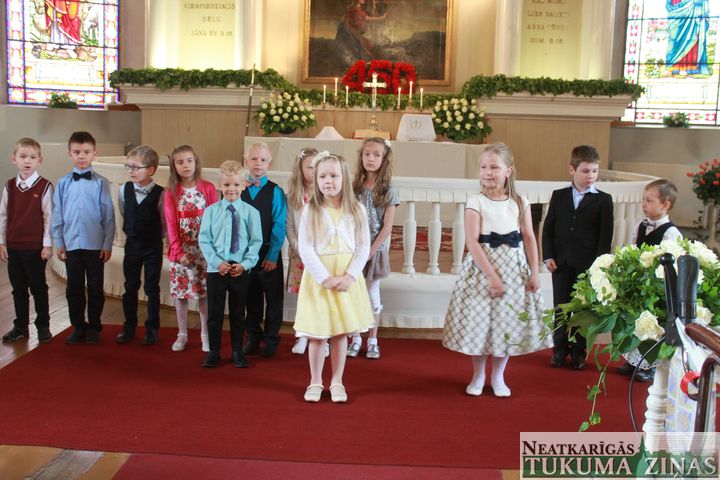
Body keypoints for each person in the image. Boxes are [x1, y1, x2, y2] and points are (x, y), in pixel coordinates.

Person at [443, 143, 551, 398]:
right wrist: (492, 276)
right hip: (483, 270)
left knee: (506, 322)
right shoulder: (476, 201)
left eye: (494, 167)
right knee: (480, 323)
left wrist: (535, 272)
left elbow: (529, 237)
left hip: (513, 270)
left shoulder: (519, 201)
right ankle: (479, 375)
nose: (488, 172)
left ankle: (498, 376)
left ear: (508, 170)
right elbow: (472, 242)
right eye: (483, 167)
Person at [294, 152, 374, 403]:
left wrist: (350, 276)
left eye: (334, 176)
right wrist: (324, 278)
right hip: (320, 280)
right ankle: (315, 381)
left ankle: (337, 381)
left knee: (340, 333)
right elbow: (305, 247)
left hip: (346, 279)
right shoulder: (311, 209)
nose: (328, 181)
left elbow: (363, 246)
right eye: (322, 176)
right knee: (318, 335)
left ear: (344, 178)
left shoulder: (357, 209)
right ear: (316, 180)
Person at [542, 145, 614, 370]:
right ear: (572, 170)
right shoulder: (559, 196)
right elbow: (548, 228)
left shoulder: (603, 200)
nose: (590, 176)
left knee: (583, 310)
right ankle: (559, 350)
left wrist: (599, 267)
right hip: (561, 262)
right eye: (585, 171)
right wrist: (548, 255)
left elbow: (605, 236)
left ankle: (578, 352)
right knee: (561, 308)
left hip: (587, 265)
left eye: (594, 171)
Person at [51, 131, 115, 344]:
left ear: (94, 153)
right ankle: (78, 326)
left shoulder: (101, 183)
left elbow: (108, 216)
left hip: (95, 245)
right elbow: (57, 214)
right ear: (69, 154)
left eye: (86, 152)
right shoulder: (63, 183)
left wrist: (107, 243)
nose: (81, 156)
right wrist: (59, 242)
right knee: (74, 288)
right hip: (71, 244)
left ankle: (94, 327)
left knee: (95, 288)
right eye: (77, 152)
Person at [198, 161, 262, 368]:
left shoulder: (251, 213)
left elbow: (256, 242)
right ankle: (214, 351)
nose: (230, 189)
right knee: (215, 313)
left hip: (239, 269)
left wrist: (245, 264)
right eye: (226, 185)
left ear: (243, 185)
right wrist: (217, 262)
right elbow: (204, 239)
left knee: (238, 312)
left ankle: (237, 351)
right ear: (219, 185)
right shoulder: (210, 212)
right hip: (216, 269)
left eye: (235, 184)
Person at [618, 179, 681, 382]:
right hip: (639, 283)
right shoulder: (641, 225)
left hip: (657, 287)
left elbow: (672, 262)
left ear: (665, 204)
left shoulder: (670, 233)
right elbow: (634, 249)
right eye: (643, 199)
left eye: (649, 200)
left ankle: (650, 365)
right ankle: (633, 361)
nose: (643, 204)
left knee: (653, 326)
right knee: (636, 322)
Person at [347, 137, 399, 360]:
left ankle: (372, 340)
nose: (370, 158)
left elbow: (387, 227)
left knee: (371, 295)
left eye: (376, 155)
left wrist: (371, 250)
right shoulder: (355, 187)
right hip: (354, 248)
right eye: (367, 154)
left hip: (374, 250)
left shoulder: (388, 189)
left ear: (384, 159)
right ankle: (355, 338)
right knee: (354, 294)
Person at [164, 145, 218, 353]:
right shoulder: (171, 193)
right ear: (174, 166)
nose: (185, 165)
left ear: (196, 162)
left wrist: (211, 250)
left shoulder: (208, 188)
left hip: (204, 251)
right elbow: (171, 225)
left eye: (189, 161)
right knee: (181, 295)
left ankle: (205, 334)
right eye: (180, 162)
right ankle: (182, 334)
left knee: (203, 295)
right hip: (181, 253)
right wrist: (179, 253)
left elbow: (215, 219)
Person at [0, 138, 54, 344]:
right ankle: (21, 326)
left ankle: (43, 326)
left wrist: (47, 244)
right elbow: (3, 215)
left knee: (38, 287)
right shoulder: (9, 186)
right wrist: (1, 242)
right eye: (22, 156)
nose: (27, 161)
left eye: (32, 157)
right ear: (14, 159)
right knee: (18, 289)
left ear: (40, 160)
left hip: (35, 248)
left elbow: (49, 218)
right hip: (14, 246)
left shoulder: (45, 186)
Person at [241, 142, 287, 358]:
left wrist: (272, 254)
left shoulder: (275, 191)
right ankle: (253, 335)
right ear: (246, 161)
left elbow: (279, 224)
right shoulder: (238, 189)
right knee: (250, 297)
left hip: (268, 253)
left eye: (262, 159)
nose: (258, 163)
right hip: (245, 255)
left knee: (273, 299)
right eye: (253, 159)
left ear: (269, 163)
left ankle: (271, 338)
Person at [115, 146, 165, 346]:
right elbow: (123, 211)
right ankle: (129, 327)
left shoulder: (161, 194)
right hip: (132, 246)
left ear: (151, 170)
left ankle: (152, 329)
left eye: (136, 167)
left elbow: (164, 222)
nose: (131, 171)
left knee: (152, 288)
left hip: (153, 247)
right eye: (129, 166)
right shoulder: (123, 189)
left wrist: (157, 239)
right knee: (130, 286)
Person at [285, 147, 326, 356]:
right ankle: (302, 335)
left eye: (317, 167)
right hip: (300, 254)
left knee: (321, 297)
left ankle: (322, 337)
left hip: (322, 255)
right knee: (304, 298)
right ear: (300, 169)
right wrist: (299, 248)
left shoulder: (326, 194)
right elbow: (290, 226)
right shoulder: (294, 196)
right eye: (309, 167)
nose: (313, 171)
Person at [665, 0, 711, 76]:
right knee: (673, 40)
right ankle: (670, 67)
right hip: (675, 12)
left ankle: (685, 67)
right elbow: (669, 4)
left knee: (690, 38)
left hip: (692, 11)